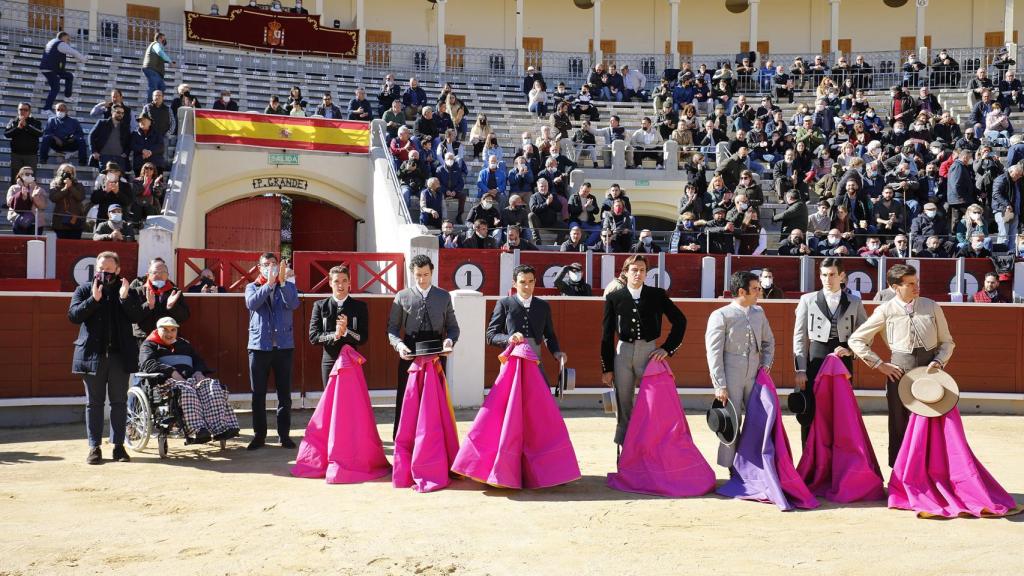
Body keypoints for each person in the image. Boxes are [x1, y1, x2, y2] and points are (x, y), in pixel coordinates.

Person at [453, 264, 580, 489]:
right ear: (514, 283)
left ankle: (544, 469)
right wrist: (509, 338)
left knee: (538, 416)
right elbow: (491, 335)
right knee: (506, 414)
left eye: (531, 281)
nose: (527, 286)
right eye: (523, 282)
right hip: (512, 365)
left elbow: (549, 336)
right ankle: (501, 466)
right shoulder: (505, 304)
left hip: (535, 363)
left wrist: (557, 352)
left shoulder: (543, 306)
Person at [848, 264, 954, 467]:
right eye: (910, 284)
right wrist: (879, 364)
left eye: (917, 283)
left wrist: (939, 360)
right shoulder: (885, 310)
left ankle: (931, 471)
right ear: (895, 287)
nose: (916, 288)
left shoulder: (931, 306)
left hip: (930, 373)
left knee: (930, 424)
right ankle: (900, 475)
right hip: (898, 373)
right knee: (899, 423)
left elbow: (947, 341)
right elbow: (856, 340)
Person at [601, 255, 687, 449]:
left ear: (646, 274)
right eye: (634, 270)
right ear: (625, 273)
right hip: (622, 353)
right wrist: (607, 367)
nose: (638, 273)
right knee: (624, 404)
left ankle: (653, 447)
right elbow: (606, 335)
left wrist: (667, 348)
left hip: (649, 353)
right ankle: (626, 450)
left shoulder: (657, 294)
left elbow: (680, 321)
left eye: (642, 270)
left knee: (654, 403)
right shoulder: (615, 297)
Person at [69, 251, 144, 464]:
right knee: (94, 403)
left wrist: (123, 298)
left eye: (109, 270)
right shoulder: (84, 289)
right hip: (93, 355)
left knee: (119, 402)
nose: (104, 273)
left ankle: (118, 446)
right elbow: (73, 316)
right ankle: (94, 447)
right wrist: (93, 300)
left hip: (119, 356)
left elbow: (138, 317)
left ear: (118, 270)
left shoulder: (128, 291)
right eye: (101, 269)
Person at [705, 270, 775, 470]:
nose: (759, 292)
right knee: (732, 422)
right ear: (742, 291)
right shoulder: (721, 315)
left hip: (754, 374)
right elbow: (714, 353)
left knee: (757, 420)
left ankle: (751, 465)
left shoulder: (759, 313)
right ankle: (730, 467)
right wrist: (720, 384)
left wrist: (766, 365)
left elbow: (769, 342)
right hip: (731, 374)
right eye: (755, 289)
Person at [792, 258, 868, 444]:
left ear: (842, 276)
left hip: (842, 359)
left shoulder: (854, 301)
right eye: (824, 275)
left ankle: (838, 460)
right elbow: (799, 336)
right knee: (810, 411)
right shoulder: (807, 300)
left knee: (840, 412)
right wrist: (801, 369)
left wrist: (850, 350)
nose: (828, 279)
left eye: (832, 274)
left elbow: (866, 333)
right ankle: (809, 463)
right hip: (815, 357)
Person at [387, 255, 460, 439]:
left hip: (436, 349)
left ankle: (436, 438)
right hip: (410, 349)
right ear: (413, 274)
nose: (422, 279)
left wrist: (449, 341)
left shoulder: (443, 296)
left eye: (426, 274)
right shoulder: (402, 296)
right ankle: (403, 439)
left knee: (435, 397)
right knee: (407, 395)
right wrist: (399, 345)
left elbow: (452, 327)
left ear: (432, 272)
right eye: (418, 275)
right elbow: (393, 328)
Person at [139, 316, 240, 443]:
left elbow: (197, 360)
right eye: (165, 330)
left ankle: (220, 428)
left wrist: (198, 371)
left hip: (190, 379)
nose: (170, 334)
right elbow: (147, 364)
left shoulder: (183, 343)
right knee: (185, 389)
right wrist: (172, 372)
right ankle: (197, 430)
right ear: (157, 330)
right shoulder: (149, 345)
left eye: (173, 330)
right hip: (166, 382)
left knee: (212, 386)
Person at [244, 253, 301, 450]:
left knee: (284, 394)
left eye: (273, 264)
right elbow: (251, 304)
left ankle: (284, 435)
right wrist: (268, 284)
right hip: (259, 346)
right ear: (259, 268)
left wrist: (282, 283)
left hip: (283, 346)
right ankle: (259, 435)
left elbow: (293, 304)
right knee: (258, 394)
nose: (270, 267)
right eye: (265, 265)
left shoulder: (288, 286)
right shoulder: (252, 287)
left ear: (279, 267)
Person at [308, 264, 369, 387]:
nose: (340, 285)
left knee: (350, 398)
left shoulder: (360, 307)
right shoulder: (320, 306)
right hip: (329, 360)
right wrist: (335, 335)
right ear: (330, 283)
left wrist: (346, 332)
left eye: (344, 281)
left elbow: (363, 338)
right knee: (330, 398)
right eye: (336, 281)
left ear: (349, 283)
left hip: (351, 359)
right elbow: (313, 337)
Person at [39, 31, 88, 111]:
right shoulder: (61, 44)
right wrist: (84, 59)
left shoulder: (52, 41)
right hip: (50, 69)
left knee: (69, 76)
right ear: (63, 37)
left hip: (52, 68)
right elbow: (73, 52)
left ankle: (67, 96)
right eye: (67, 39)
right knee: (55, 88)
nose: (68, 41)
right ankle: (46, 108)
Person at [5, 103, 42, 185]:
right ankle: (14, 196)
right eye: (21, 109)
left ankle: (30, 197)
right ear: (17, 110)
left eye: (26, 110)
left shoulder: (36, 122)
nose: (23, 111)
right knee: (15, 179)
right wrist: (18, 128)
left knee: (30, 179)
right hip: (16, 155)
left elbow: (40, 133)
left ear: (29, 111)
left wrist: (26, 126)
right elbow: (6, 134)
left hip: (31, 156)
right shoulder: (12, 121)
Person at [88, 103, 130, 172]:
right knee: (104, 178)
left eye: (122, 113)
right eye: (118, 112)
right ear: (112, 112)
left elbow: (129, 142)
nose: (121, 115)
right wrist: (94, 151)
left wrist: (126, 153)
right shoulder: (102, 123)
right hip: (104, 157)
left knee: (119, 180)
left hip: (120, 158)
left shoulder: (125, 127)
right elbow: (91, 136)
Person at [49, 163, 86, 239]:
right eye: (64, 171)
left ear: (73, 174)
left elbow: (80, 197)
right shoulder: (54, 184)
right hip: (60, 222)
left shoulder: (79, 185)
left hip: (75, 221)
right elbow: (53, 198)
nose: (66, 173)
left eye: (69, 171)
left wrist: (71, 187)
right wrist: (65, 188)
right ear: (59, 172)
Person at [6, 166, 47, 235]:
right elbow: (9, 203)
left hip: (36, 223)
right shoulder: (13, 188)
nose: (30, 176)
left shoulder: (39, 189)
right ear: (21, 175)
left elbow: (43, 206)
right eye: (27, 174)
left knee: (35, 245)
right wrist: (21, 194)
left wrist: (34, 196)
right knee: (20, 244)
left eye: (32, 174)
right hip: (19, 221)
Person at [141, 32, 174, 97]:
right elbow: (160, 52)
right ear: (160, 38)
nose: (164, 42)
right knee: (154, 88)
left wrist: (167, 61)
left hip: (155, 71)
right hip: (152, 69)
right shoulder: (156, 44)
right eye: (164, 39)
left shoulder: (156, 46)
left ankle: (159, 104)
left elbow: (159, 57)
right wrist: (170, 61)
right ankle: (150, 105)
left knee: (162, 87)